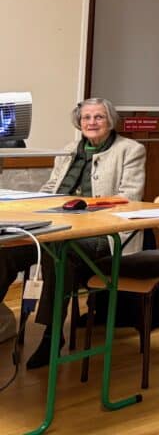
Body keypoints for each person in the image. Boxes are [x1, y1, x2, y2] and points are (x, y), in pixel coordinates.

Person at [0, 98, 145, 368]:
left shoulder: (131, 150)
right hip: (56, 226)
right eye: (86, 117)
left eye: (99, 117)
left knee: (60, 253)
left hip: (102, 234)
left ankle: (51, 335)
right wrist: (32, 208)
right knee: (7, 249)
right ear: (78, 122)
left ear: (110, 121)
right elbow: (51, 187)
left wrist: (84, 207)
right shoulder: (68, 150)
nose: (91, 122)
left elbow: (130, 197)